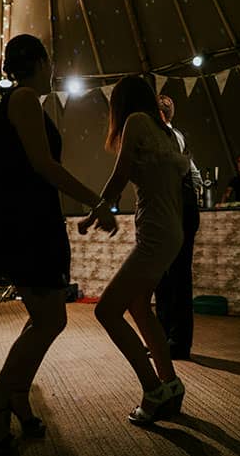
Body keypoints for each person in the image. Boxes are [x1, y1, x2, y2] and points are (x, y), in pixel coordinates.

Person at [0, 34, 116, 455]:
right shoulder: (25, 98)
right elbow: (45, 165)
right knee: (51, 319)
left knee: (44, 316)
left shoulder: (21, 101)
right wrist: (97, 201)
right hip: (25, 219)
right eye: (50, 62)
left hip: (28, 215)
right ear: (38, 62)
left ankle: (16, 398)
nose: (53, 71)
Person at [78, 76, 189, 426]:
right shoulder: (166, 132)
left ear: (122, 104)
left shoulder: (136, 122)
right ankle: (171, 383)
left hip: (156, 234)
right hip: (171, 232)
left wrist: (94, 213)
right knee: (139, 306)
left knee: (107, 311)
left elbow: (120, 175)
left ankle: (153, 390)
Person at [153, 94, 201, 360]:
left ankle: (177, 342)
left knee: (175, 277)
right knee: (167, 277)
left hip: (176, 210)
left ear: (160, 115)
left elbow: (181, 175)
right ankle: (166, 339)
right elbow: (194, 175)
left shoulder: (170, 137)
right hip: (176, 209)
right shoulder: (171, 137)